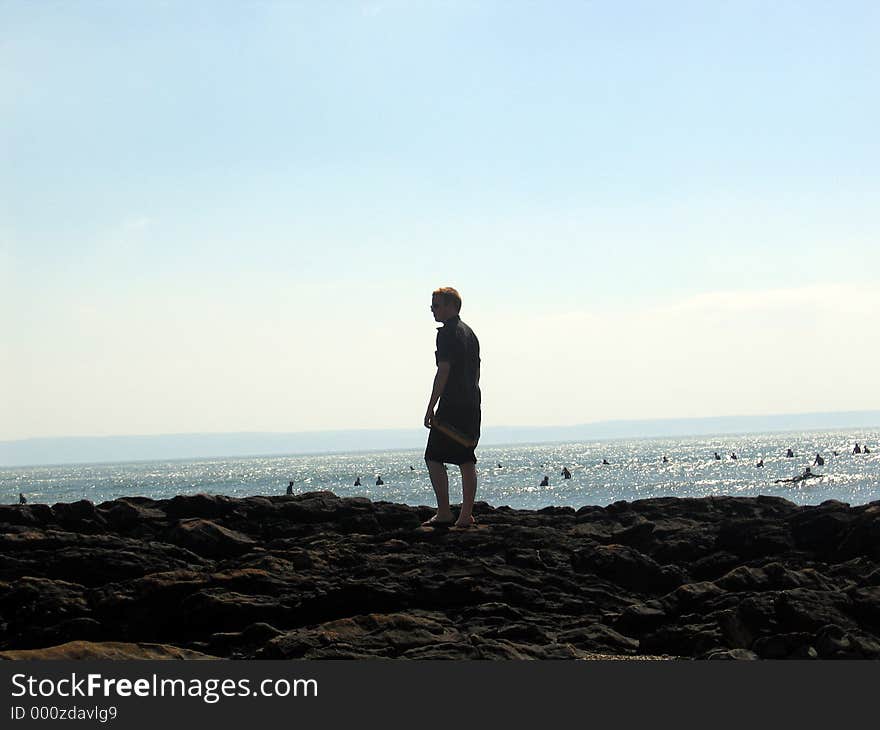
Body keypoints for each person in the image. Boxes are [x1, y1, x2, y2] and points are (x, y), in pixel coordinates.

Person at [422, 287, 481, 529]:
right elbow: (476, 371)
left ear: (450, 306)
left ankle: (445, 511)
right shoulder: (470, 333)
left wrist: (430, 405)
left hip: (452, 404)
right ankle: (466, 515)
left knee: (433, 456)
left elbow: (443, 370)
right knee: (466, 458)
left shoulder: (446, 334)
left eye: (436, 305)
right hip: (472, 402)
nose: (433, 310)